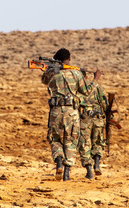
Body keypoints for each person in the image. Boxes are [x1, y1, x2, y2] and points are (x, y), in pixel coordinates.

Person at [41, 48, 101, 181]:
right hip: (72, 112)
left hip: (55, 111)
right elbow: (87, 91)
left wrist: (49, 68)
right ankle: (66, 173)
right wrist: (95, 79)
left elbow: (44, 80)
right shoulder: (76, 73)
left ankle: (58, 163)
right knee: (71, 140)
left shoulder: (52, 73)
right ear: (69, 59)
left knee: (55, 139)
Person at [78, 71, 108, 179]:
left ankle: (89, 170)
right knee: (98, 142)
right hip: (98, 119)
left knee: (84, 144)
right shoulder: (98, 87)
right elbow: (105, 104)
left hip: (84, 119)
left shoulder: (78, 89)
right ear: (86, 76)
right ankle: (97, 164)